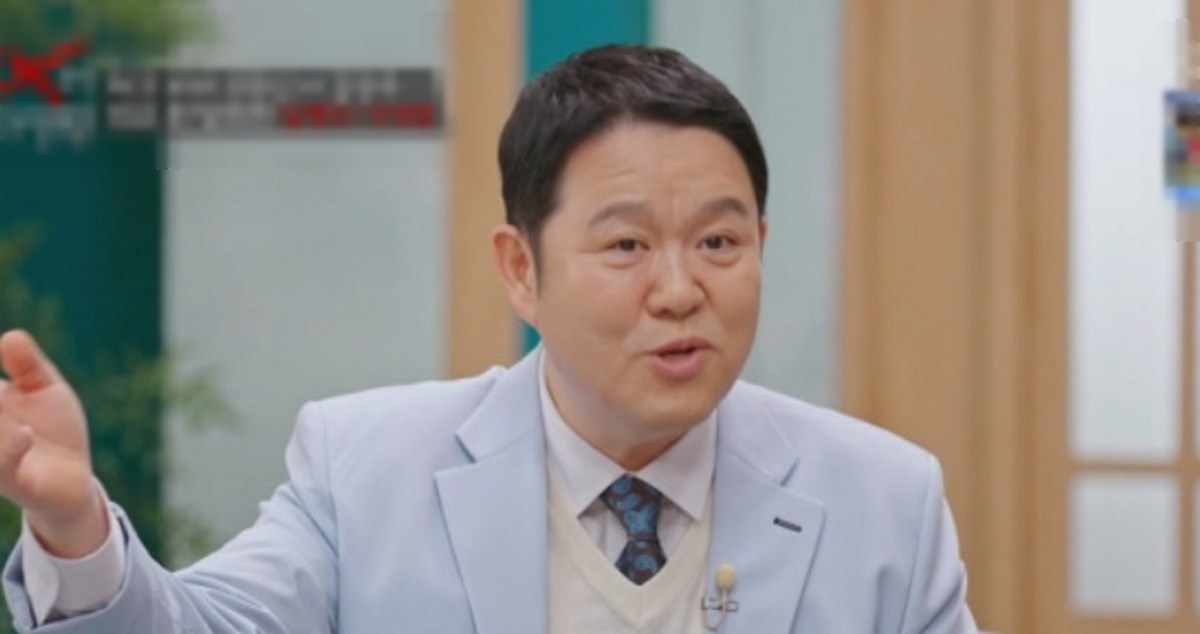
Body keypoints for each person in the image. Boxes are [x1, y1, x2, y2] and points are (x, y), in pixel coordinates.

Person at [0, 45, 978, 633]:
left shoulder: (885, 503)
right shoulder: (367, 470)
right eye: (627, 245)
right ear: (521, 268)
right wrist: (75, 530)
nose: (681, 290)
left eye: (719, 243)